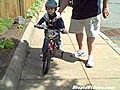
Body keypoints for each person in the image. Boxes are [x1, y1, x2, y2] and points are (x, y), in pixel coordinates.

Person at [58, 0, 109, 68]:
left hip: (92, 12)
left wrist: (105, 7)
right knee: (78, 31)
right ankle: (81, 50)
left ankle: (90, 56)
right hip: (77, 12)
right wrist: (59, 12)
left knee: (91, 33)